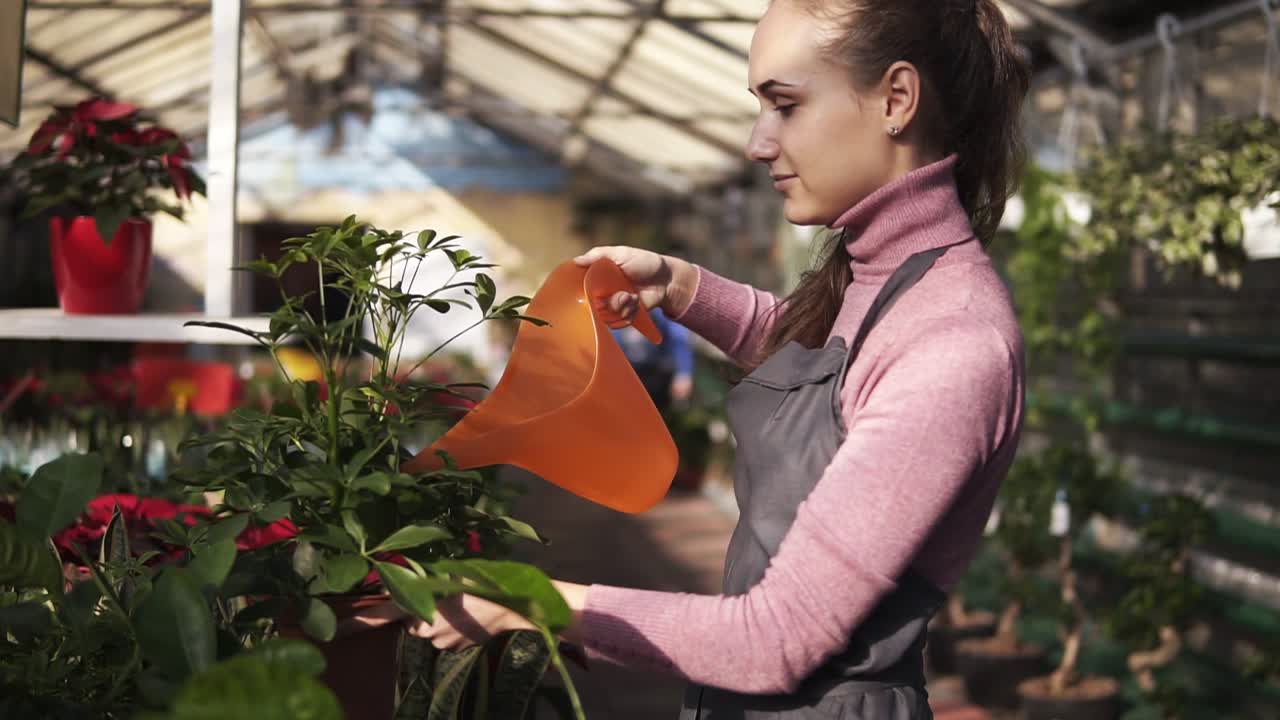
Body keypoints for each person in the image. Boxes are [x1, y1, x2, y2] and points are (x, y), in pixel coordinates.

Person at [365, 0, 1030, 717]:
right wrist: (680, 287)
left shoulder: (954, 343)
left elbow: (775, 638)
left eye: (785, 106)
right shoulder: (884, 281)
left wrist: (526, 600)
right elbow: (825, 369)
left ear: (897, 99)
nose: (757, 143)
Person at [611, 306, 695, 415]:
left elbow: (678, 341)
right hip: (626, 379)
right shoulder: (610, 319)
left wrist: (683, 373)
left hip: (657, 375)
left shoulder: (658, 314)